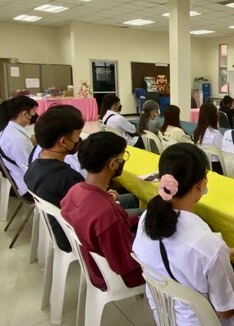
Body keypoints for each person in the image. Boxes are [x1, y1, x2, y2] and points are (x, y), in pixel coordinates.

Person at [133, 144, 234, 325]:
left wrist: (222, 256)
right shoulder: (209, 246)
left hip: (164, 316)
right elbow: (225, 311)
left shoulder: (147, 218)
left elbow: (177, 256)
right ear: (201, 184)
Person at [61, 132, 144, 291]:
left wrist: (140, 219)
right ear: (112, 164)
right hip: (120, 276)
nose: (123, 161)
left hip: (94, 266)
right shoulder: (108, 214)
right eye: (122, 157)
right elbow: (126, 264)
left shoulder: (75, 191)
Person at [24, 105, 85, 252]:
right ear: (63, 142)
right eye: (77, 136)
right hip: (75, 238)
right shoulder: (68, 178)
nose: (79, 140)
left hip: (58, 231)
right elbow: (91, 214)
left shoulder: (34, 166)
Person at [0, 95, 38, 199]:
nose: (34, 115)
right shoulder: (18, 140)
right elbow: (32, 171)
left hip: (22, 181)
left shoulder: (8, 129)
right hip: (29, 189)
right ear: (25, 114)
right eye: (33, 112)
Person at [194, 103, 223, 173]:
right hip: (215, 167)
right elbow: (222, 153)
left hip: (202, 166)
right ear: (214, 117)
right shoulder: (216, 134)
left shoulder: (196, 132)